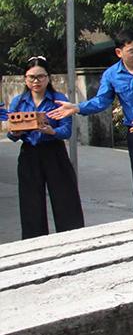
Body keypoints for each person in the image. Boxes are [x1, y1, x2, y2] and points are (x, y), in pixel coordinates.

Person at [49, 30, 133, 217]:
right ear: (119, 52)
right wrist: (77, 107)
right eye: (132, 51)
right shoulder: (111, 75)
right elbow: (102, 101)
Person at [8, 57, 85, 239]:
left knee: (65, 198)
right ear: (25, 79)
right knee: (31, 202)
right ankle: (34, 242)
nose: (36, 81)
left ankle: (71, 239)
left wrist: (51, 131)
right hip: (30, 153)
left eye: (40, 77)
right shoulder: (18, 102)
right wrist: (16, 133)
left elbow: (66, 131)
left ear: (48, 78)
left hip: (54, 151)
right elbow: (11, 133)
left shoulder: (58, 100)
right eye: (31, 77)